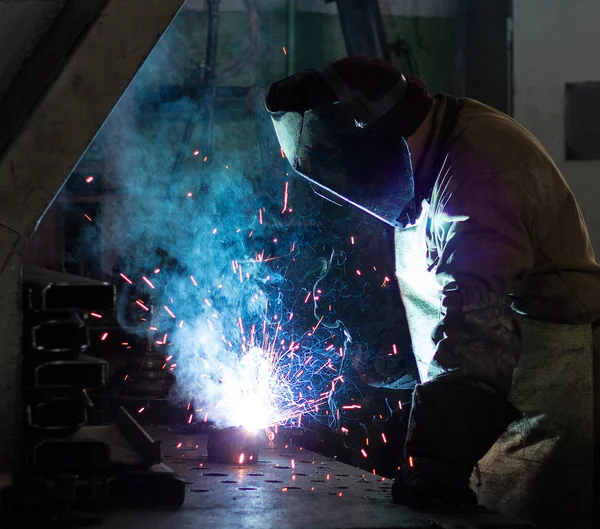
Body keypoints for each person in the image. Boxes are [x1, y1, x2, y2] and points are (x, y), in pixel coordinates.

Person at [265, 55, 599, 529]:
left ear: (372, 136)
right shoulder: (428, 152)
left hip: (552, 406)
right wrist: (401, 360)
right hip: (494, 399)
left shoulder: (476, 172)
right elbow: (446, 294)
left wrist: (434, 462)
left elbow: (476, 324)